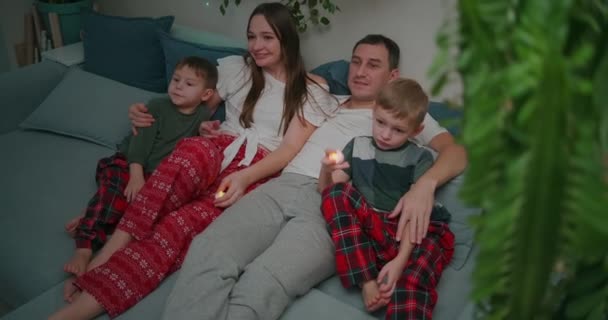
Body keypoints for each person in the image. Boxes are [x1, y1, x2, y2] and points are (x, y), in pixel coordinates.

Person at [48, 2, 335, 319]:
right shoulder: (235, 69)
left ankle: (84, 306)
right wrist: (149, 115)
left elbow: (289, 149)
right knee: (187, 154)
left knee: (178, 227)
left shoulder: (311, 88)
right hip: (216, 147)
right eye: (251, 36)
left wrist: (245, 177)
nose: (256, 46)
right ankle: (106, 254)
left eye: (267, 37)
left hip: (254, 169)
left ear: (287, 38)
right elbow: (192, 111)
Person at [159, 34, 468, 320]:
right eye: (356, 62)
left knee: (265, 279)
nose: (359, 71)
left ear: (392, 77)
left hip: (332, 207)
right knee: (208, 249)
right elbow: (286, 137)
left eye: (373, 65)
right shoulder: (326, 99)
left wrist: (424, 185)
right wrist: (244, 174)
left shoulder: (400, 112)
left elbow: (457, 153)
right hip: (283, 186)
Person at [61, 56, 217, 282]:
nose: (178, 86)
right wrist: (135, 175)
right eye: (176, 79)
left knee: (141, 209)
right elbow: (140, 143)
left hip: (153, 175)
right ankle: (84, 248)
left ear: (205, 95)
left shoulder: (201, 114)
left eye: (189, 84)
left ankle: (92, 215)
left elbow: (192, 141)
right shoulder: (157, 107)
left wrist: (205, 131)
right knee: (117, 189)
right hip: (129, 161)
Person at [319, 78, 455, 319]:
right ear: (373, 113)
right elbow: (328, 194)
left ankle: (405, 295)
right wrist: (326, 170)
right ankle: (366, 281)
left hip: (412, 233)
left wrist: (400, 262)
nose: (385, 134)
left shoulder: (419, 157)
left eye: (398, 129)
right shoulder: (357, 146)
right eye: (380, 122)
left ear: (416, 131)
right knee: (336, 193)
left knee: (415, 276)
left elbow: (416, 214)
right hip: (375, 230)